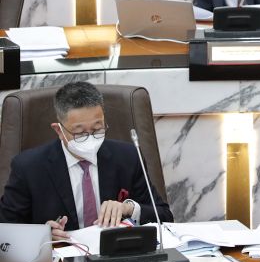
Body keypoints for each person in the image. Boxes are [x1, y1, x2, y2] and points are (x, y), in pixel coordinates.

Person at [0, 82, 173, 240]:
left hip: (115, 255)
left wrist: (128, 208)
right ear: (59, 131)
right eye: (80, 133)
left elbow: (165, 216)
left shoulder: (128, 157)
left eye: (97, 129)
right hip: (60, 259)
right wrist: (42, 236)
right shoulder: (28, 167)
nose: (90, 138)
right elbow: (5, 231)